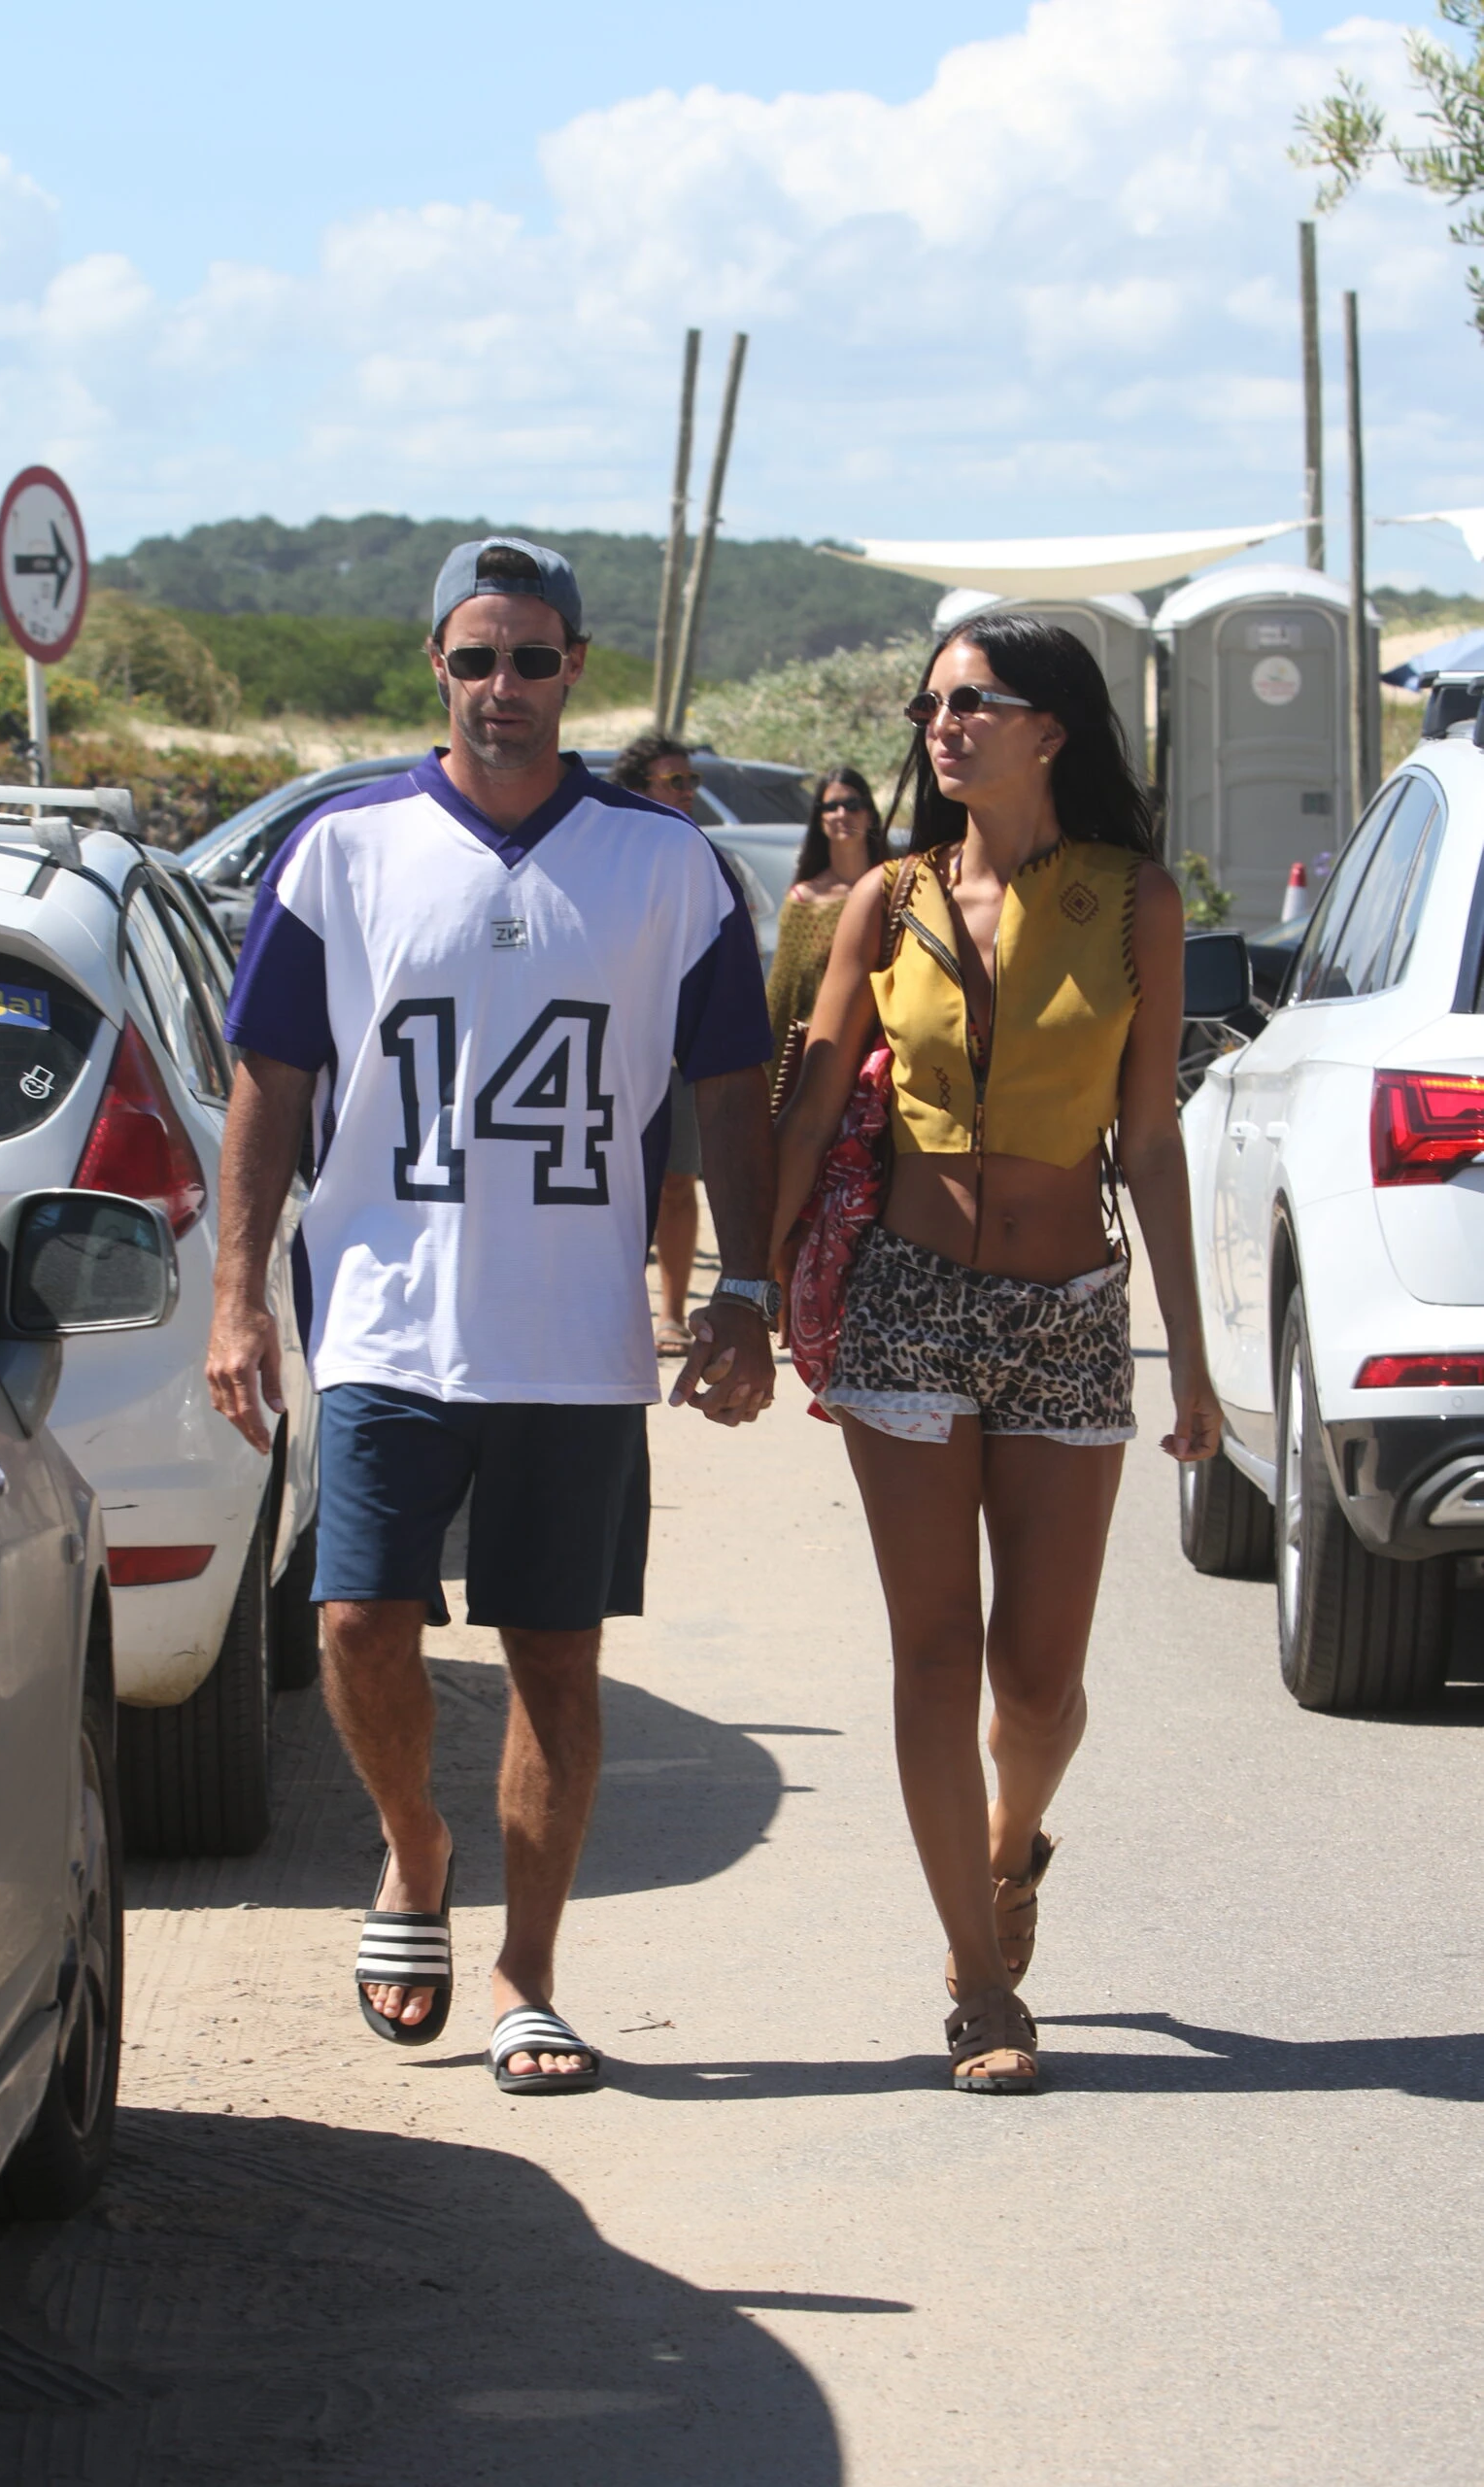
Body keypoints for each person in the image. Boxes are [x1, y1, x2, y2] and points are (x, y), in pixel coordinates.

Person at [207, 538, 778, 2096]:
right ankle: (412, 1851)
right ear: (435, 669)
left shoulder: (665, 864)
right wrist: (238, 1294)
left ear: (574, 670)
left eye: (532, 660)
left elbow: (731, 1089)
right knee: (351, 1619)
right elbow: (273, 1082)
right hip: (389, 1315)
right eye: (475, 660)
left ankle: (530, 1974)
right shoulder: (341, 850)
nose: (502, 689)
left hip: (573, 1339)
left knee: (553, 1661)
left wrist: (744, 1287)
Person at [771, 613, 1220, 2096]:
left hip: (1069, 1311)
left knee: (1033, 1681)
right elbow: (816, 1089)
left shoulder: (1128, 901)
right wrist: (748, 1286)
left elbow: (1146, 1139)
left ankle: (1012, 1840)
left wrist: (1194, 1360)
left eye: (975, 701)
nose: (941, 724)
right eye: (931, 704)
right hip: (906, 1299)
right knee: (931, 1650)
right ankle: (975, 1985)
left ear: (1053, 730)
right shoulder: (881, 900)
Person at [608, 732, 709, 1356]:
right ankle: (615, 1309)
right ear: (638, 791)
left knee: (677, 1183)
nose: (689, 792)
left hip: (680, 1057)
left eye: (691, 782)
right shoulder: (611, 860)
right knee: (614, 1189)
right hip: (613, 1057)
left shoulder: (704, 857)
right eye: (675, 782)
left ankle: (670, 1314)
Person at [765, 766, 888, 1078]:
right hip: (820, 1059)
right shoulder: (804, 901)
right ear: (820, 820)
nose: (842, 813)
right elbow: (783, 995)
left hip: (882, 1057)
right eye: (831, 806)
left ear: (870, 815)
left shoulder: (895, 891)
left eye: (853, 805)